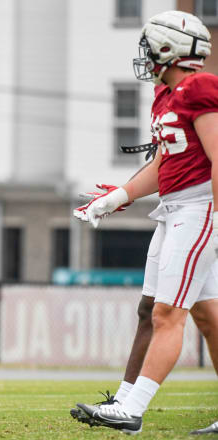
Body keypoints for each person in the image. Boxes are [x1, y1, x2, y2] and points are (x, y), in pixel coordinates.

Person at [71, 10, 218, 434]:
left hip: (199, 208)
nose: (146, 55)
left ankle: (131, 408)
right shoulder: (166, 95)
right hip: (174, 211)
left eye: (150, 46)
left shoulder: (201, 87)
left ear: (169, 48)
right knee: (206, 316)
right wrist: (119, 196)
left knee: (167, 313)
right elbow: (164, 163)